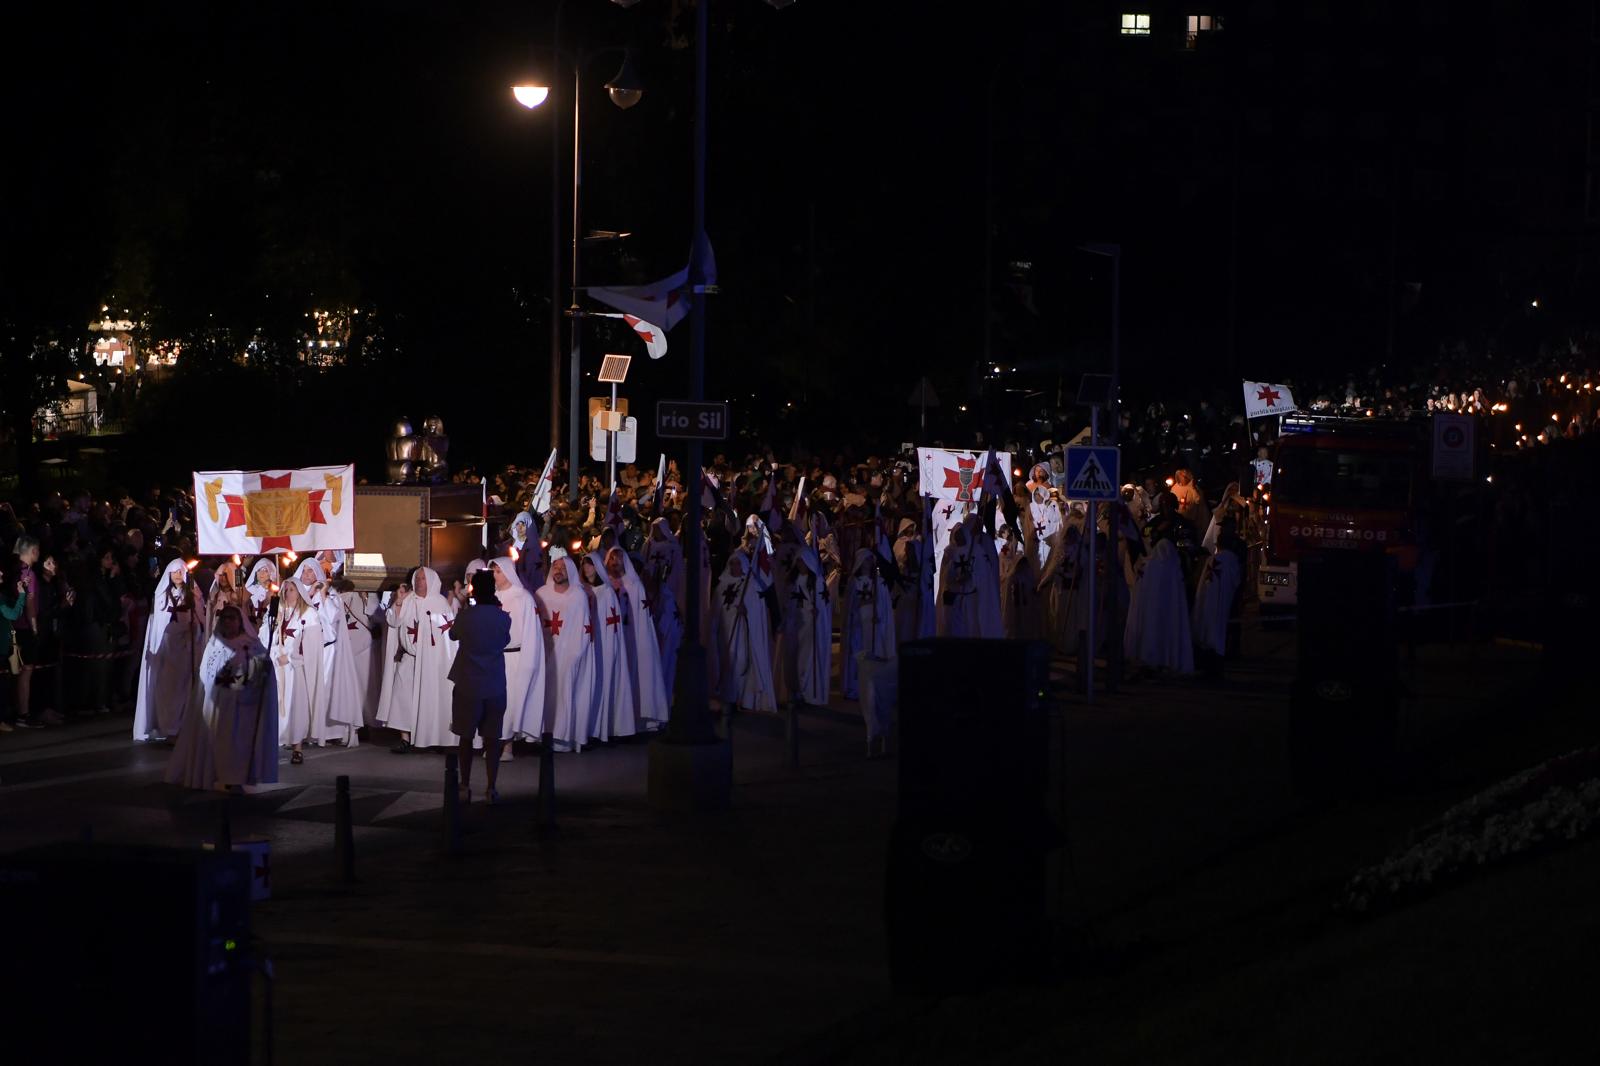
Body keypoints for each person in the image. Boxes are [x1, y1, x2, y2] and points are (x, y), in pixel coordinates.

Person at [165, 605, 278, 791]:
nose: (228, 622)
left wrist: (260, 672)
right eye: (224, 618)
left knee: (235, 745)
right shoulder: (214, 643)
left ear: (240, 621)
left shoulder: (250, 644)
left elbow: (259, 671)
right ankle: (214, 776)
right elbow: (206, 674)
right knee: (214, 742)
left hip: (241, 707)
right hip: (215, 704)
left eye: (232, 618)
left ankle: (235, 780)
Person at [377, 566, 458, 753]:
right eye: (418, 578)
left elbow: (446, 636)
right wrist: (398, 601)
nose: (420, 581)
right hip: (410, 658)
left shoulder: (440, 603)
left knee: (431, 699)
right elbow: (393, 621)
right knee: (403, 697)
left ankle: (433, 736)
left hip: (432, 662)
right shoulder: (407, 600)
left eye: (423, 578)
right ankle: (405, 738)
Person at [448, 570, 512, 803]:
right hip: (494, 683)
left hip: (468, 683)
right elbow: (505, 640)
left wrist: (464, 606)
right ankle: (491, 786)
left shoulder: (467, 616)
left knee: (466, 737)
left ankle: (465, 784)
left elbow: (453, 635)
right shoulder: (503, 617)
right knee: (492, 739)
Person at [133, 559, 206, 742]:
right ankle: (168, 727)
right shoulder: (161, 597)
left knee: (185, 689)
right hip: (167, 653)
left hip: (185, 651)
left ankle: (183, 727)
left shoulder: (193, 594)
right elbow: (157, 625)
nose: (177, 575)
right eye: (174, 572)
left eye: (180, 572)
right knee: (167, 690)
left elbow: (200, 619)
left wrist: (193, 629)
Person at [535, 555, 596, 751]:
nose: (558, 571)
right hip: (545, 653)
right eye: (555, 567)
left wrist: (575, 654)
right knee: (544, 694)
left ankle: (563, 738)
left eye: (562, 567)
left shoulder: (578, 596)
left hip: (568, 654)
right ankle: (542, 735)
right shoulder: (541, 593)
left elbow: (583, 628)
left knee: (563, 693)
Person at [606, 546, 670, 730]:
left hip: (631, 639)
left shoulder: (635, 586)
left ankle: (634, 719)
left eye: (619, 558)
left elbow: (642, 620)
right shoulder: (604, 586)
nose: (615, 562)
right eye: (612, 558)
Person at [581, 551, 638, 742]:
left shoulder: (606, 592)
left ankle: (604, 730)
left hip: (603, 647)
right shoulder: (581, 591)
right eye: (584, 565)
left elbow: (612, 624)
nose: (587, 568)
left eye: (590, 564)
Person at [776, 513, 832, 707]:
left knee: (807, 658)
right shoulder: (793, 582)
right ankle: (797, 689)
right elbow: (789, 602)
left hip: (811, 627)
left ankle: (810, 691)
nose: (800, 565)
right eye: (798, 562)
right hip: (796, 627)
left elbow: (823, 604)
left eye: (803, 562)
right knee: (795, 657)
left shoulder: (817, 582)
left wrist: (819, 613)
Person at [487, 556, 546, 740]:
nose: (494, 576)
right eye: (493, 572)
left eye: (498, 571)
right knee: (494, 701)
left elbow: (531, 631)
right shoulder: (491, 597)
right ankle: (494, 739)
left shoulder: (524, 597)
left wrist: (528, 662)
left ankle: (508, 744)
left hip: (514, 658)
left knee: (511, 701)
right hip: (494, 657)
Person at [712, 547, 777, 713]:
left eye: (738, 564)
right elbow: (715, 611)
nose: (735, 567)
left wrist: (746, 610)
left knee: (740, 661)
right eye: (732, 563)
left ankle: (741, 697)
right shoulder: (721, 585)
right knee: (726, 663)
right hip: (725, 632)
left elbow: (758, 609)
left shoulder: (749, 585)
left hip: (741, 631)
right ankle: (728, 698)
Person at [850, 547, 896, 758]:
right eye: (865, 561)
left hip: (876, 630)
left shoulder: (880, 584)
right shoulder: (856, 583)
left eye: (871, 561)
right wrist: (868, 604)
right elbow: (853, 606)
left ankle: (882, 731)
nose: (868, 565)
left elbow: (885, 608)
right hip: (863, 627)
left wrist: (881, 614)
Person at [1124, 539, 1195, 676]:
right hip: (1168, 612)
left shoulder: (1152, 566)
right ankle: (1165, 659)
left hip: (1154, 612)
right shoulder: (1173, 567)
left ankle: (1153, 659)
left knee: (1154, 632)